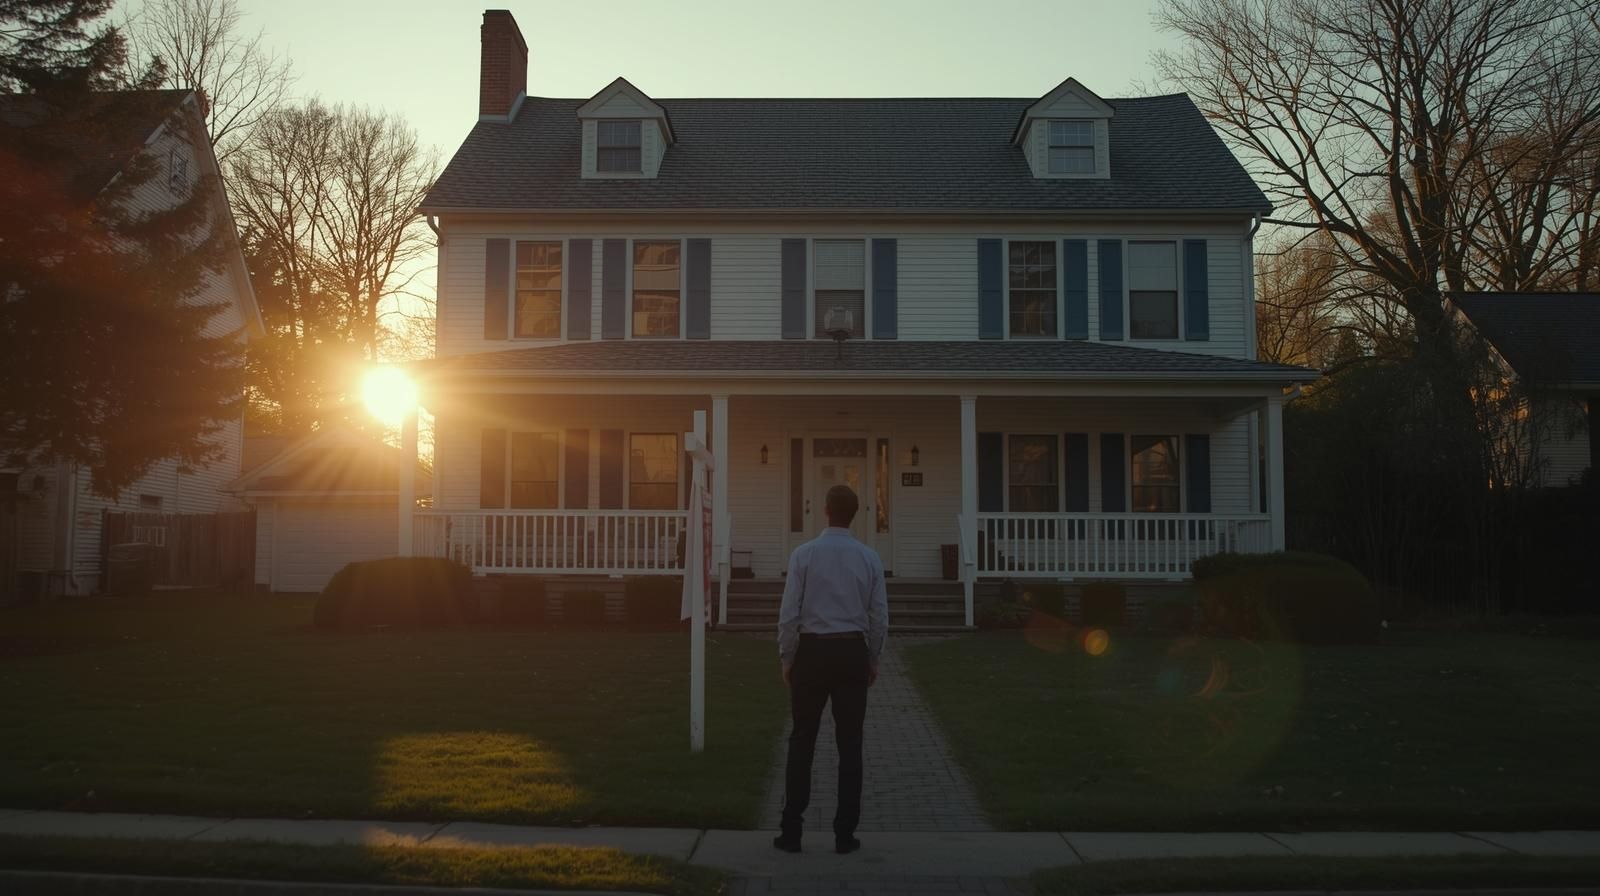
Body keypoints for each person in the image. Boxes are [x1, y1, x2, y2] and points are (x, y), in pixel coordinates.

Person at [773, 484, 889, 855]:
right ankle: (844, 834)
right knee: (850, 743)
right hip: (852, 651)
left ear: (825, 510)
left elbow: (789, 614)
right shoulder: (869, 557)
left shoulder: (803, 554)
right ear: (854, 514)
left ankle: (792, 831)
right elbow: (879, 617)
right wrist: (873, 658)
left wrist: (787, 657)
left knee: (802, 739)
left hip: (812, 652)